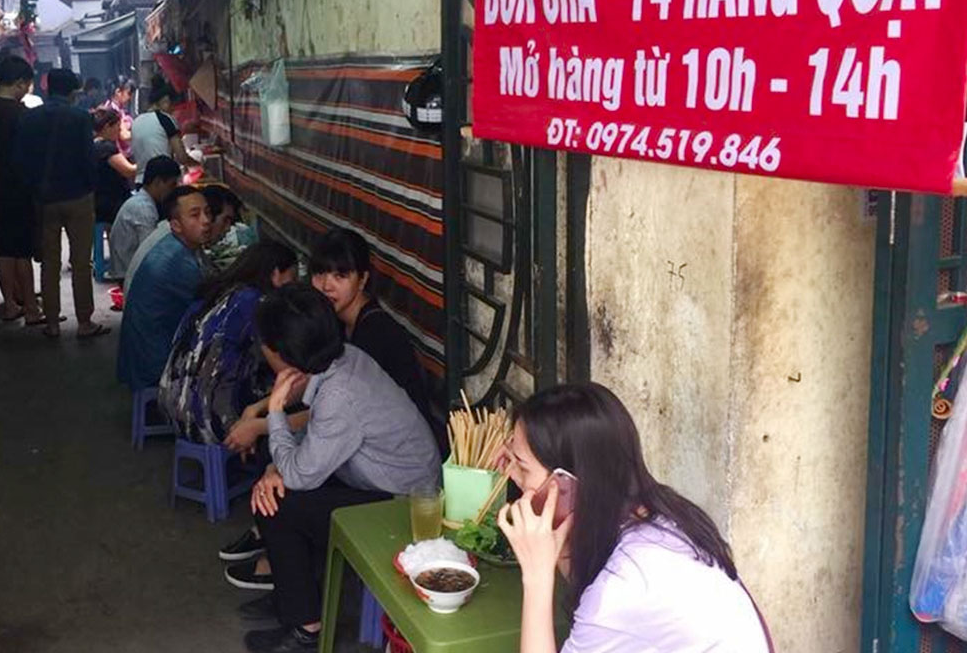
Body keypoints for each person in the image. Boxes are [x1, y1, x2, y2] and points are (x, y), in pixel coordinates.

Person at [234, 284, 441, 653]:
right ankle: (292, 595)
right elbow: (310, 448)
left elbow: (300, 472)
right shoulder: (341, 357)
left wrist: (277, 412)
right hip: (369, 474)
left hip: (402, 502)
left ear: (282, 355)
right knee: (275, 473)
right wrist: (275, 468)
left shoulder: (339, 393)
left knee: (280, 504)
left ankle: (305, 628)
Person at [496, 383, 773, 653]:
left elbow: (599, 599)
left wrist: (536, 576)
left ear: (566, 483)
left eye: (521, 465)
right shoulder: (655, 515)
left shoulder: (621, 586)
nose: (513, 475)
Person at [309, 228, 448, 455]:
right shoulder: (339, 322)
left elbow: (339, 412)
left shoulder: (377, 332)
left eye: (340, 276)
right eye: (320, 274)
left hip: (402, 455)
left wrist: (267, 423)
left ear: (362, 279)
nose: (326, 285)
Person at [159, 240, 298, 444]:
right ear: (276, 274)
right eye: (293, 277)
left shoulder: (214, 292)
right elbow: (286, 372)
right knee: (301, 396)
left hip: (171, 407)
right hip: (209, 421)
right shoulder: (258, 304)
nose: (294, 285)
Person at [13, 67, 107, 338]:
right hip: (77, 197)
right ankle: (84, 322)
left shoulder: (29, 119)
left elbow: (20, 160)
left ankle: (52, 323)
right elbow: (89, 159)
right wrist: (91, 187)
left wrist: (35, 189)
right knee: (80, 263)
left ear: (47, 87)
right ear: (72, 92)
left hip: (44, 200)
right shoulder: (80, 118)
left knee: (49, 263)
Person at [116, 186, 212, 391]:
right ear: (176, 225)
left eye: (208, 213)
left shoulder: (176, 246)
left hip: (146, 354)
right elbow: (212, 309)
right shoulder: (178, 262)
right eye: (195, 215)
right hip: (155, 365)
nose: (206, 221)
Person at [0, 55, 42, 324]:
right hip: (21, 186)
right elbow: (32, 154)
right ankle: (33, 309)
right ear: (20, 83)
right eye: (27, 85)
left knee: (2, 248)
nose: (27, 90)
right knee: (22, 251)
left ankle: (11, 305)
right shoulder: (21, 114)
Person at [108, 156, 181, 292]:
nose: (173, 190)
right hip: (130, 273)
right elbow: (151, 253)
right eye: (171, 185)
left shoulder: (144, 202)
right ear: (158, 182)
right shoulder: (144, 209)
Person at [91, 109, 137, 282]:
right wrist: (147, 161)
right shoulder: (106, 147)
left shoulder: (94, 144)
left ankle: (118, 260)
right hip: (109, 204)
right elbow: (129, 171)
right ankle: (125, 264)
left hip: (100, 200)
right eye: (118, 127)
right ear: (108, 127)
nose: (120, 131)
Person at [130, 75, 192, 183]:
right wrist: (197, 163)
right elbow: (182, 157)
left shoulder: (136, 121)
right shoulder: (165, 119)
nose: (173, 110)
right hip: (162, 183)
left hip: (141, 182)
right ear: (165, 100)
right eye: (173, 106)